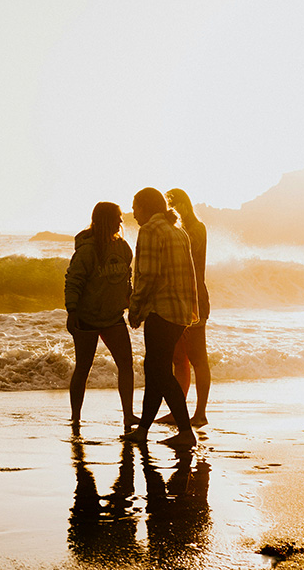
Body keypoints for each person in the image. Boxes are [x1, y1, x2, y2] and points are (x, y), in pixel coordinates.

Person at [122, 188, 199, 448]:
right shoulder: (178, 231)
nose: (133, 213)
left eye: (135, 206)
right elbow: (190, 275)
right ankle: (143, 429)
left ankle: (186, 432)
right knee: (155, 369)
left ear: (146, 207)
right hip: (179, 312)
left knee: (159, 372)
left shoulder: (150, 230)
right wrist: (191, 311)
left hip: (161, 311)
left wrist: (135, 309)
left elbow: (148, 275)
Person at [64, 202, 139, 429]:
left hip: (113, 317)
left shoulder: (123, 248)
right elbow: (73, 281)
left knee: (126, 364)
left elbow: (126, 280)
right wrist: (72, 311)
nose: (120, 221)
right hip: (86, 317)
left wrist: (131, 305)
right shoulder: (86, 250)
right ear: (106, 219)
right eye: (117, 217)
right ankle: (75, 417)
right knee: (83, 367)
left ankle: (128, 415)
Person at [160, 188, 211, 427]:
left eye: (171, 205)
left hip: (195, 299)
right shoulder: (176, 229)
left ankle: (200, 413)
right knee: (179, 359)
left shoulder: (196, 228)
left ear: (182, 204)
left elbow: (186, 251)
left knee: (198, 358)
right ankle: (177, 411)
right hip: (175, 299)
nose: (169, 210)